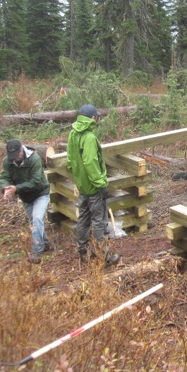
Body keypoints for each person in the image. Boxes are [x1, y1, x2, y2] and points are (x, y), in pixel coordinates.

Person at [66, 104, 120, 265]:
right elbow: (90, 162)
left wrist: (79, 179)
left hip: (82, 186)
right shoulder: (89, 137)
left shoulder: (73, 134)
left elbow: (70, 161)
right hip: (93, 187)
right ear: (92, 118)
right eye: (96, 116)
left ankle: (83, 252)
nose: (97, 119)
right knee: (99, 221)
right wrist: (101, 185)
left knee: (83, 219)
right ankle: (104, 256)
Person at [0, 139, 50, 264]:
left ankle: (37, 250)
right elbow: (4, 177)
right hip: (25, 197)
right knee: (34, 221)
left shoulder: (34, 159)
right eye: (12, 156)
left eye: (17, 155)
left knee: (37, 218)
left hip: (40, 193)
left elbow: (36, 181)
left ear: (21, 150)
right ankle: (45, 243)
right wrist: (6, 189)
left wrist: (16, 188)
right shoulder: (7, 161)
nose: (15, 158)